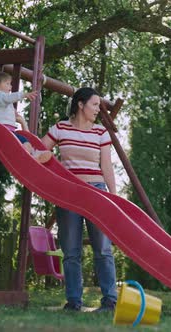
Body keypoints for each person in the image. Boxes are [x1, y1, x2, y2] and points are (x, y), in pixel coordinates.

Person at [41, 87, 118, 312]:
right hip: (68, 193)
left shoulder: (101, 133)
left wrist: (113, 197)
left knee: (103, 248)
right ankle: (74, 302)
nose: (98, 109)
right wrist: (25, 135)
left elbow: (106, 166)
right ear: (81, 105)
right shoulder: (60, 128)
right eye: (95, 105)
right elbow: (39, 150)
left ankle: (110, 301)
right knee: (71, 251)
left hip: (96, 193)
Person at [0, 71, 52, 163]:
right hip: (3, 131)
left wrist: (12, 113)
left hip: (6, 130)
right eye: (7, 83)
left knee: (24, 140)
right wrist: (23, 95)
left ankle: (33, 154)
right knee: (21, 141)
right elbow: (8, 98)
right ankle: (31, 155)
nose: (10, 87)